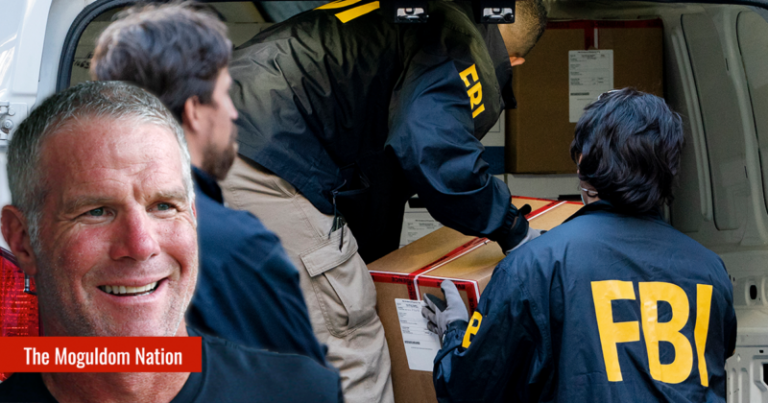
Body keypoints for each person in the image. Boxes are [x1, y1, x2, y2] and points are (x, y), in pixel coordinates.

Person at [221, 1, 547, 401]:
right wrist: (513, 229)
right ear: (514, 61)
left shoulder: (408, 19)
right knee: (349, 338)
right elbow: (432, 146)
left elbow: (379, 171)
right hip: (261, 152)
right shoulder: (461, 38)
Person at [0, 81, 341, 403]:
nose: (141, 245)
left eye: (163, 206)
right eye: (96, 211)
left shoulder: (304, 394)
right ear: (22, 240)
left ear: (192, 217)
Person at [424, 88, 737, 402]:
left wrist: (455, 330)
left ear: (583, 162)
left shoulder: (534, 265)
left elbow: (465, 389)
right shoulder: (710, 269)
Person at [88, 3, 326, 365]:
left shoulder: (71, 224)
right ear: (195, 111)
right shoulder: (240, 244)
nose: (233, 112)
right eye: (226, 95)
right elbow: (302, 377)